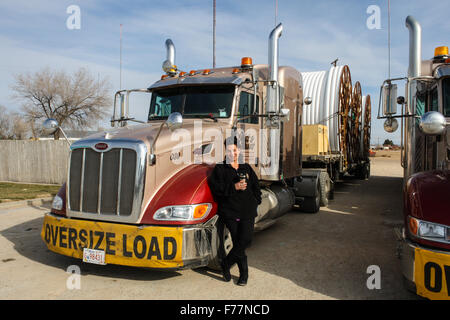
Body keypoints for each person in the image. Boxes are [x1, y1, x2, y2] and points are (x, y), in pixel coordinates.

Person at [208, 136, 262, 285]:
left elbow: (256, 185)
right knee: (239, 242)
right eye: (229, 150)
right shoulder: (220, 168)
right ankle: (244, 275)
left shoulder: (245, 166)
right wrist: (234, 187)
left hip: (247, 211)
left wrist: (257, 200)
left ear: (239, 150)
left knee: (245, 241)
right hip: (231, 212)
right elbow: (216, 189)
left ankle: (225, 263)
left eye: (235, 150)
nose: (233, 153)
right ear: (225, 151)